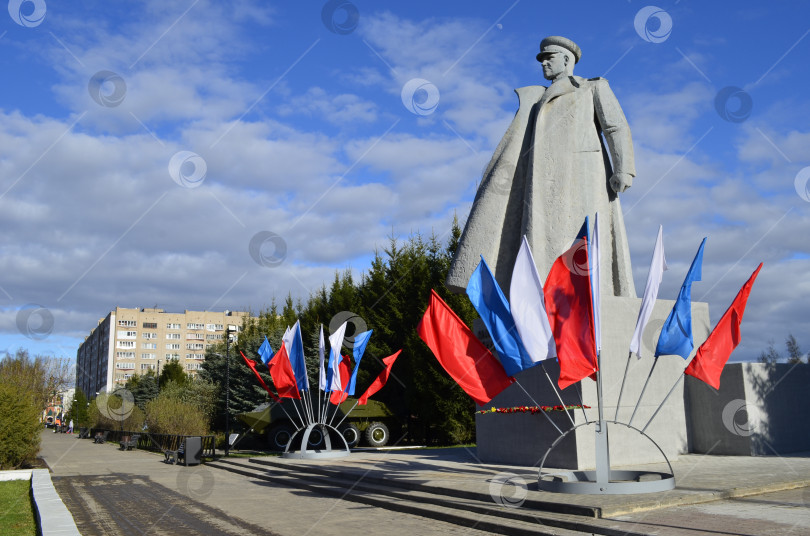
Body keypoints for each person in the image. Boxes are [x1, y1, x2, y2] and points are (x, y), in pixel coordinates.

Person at [447, 36, 637, 298]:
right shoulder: (535, 98)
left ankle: (586, 296)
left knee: (585, 241)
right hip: (540, 181)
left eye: (550, 58)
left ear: (567, 60)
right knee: (541, 241)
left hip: (584, 178)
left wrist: (623, 168)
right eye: (542, 59)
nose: (544, 63)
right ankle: (543, 294)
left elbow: (615, 126)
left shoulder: (591, 88)